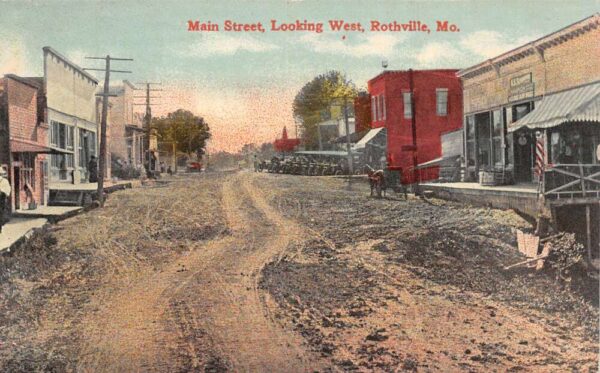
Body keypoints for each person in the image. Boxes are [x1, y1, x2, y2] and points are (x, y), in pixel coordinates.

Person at [0, 167, 12, 233]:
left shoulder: (4, 181)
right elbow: (8, 191)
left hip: (2, 198)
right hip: (2, 199)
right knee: (1, 213)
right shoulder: (5, 181)